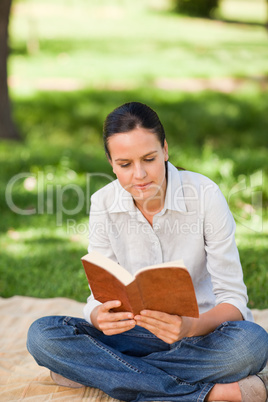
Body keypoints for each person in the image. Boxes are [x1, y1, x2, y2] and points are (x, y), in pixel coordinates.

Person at [27, 102, 268, 402]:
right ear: (111, 164)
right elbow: (98, 298)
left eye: (149, 159)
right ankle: (211, 394)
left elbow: (234, 302)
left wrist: (190, 326)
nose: (139, 175)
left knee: (252, 345)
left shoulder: (206, 196)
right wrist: (99, 316)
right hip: (134, 336)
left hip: (202, 336)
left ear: (165, 150)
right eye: (125, 164)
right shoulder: (103, 203)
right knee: (42, 335)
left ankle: (97, 373)